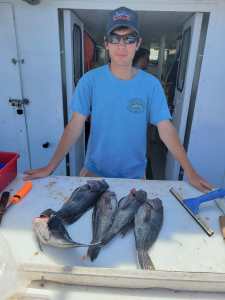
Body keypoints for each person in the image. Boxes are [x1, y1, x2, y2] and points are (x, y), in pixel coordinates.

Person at [24, 7, 212, 192]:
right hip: (93, 174)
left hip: (135, 177)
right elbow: (74, 126)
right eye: (115, 38)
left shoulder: (151, 85)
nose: (122, 46)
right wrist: (50, 167)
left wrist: (190, 171)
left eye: (129, 39)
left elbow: (166, 129)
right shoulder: (89, 80)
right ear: (106, 43)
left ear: (138, 43)